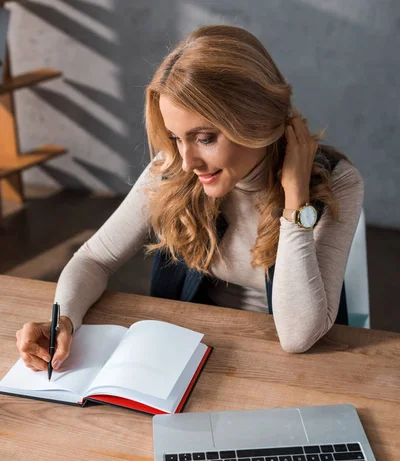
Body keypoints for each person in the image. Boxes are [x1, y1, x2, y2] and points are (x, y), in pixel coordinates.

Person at [16, 24, 364, 371]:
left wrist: (295, 202)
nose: (187, 162)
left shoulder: (338, 183)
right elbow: (94, 258)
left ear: (255, 120)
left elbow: (297, 336)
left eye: (205, 137)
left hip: (292, 368)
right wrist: (64, 319)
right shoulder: (175, 167)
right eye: (176, 137)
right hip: (189, 357)